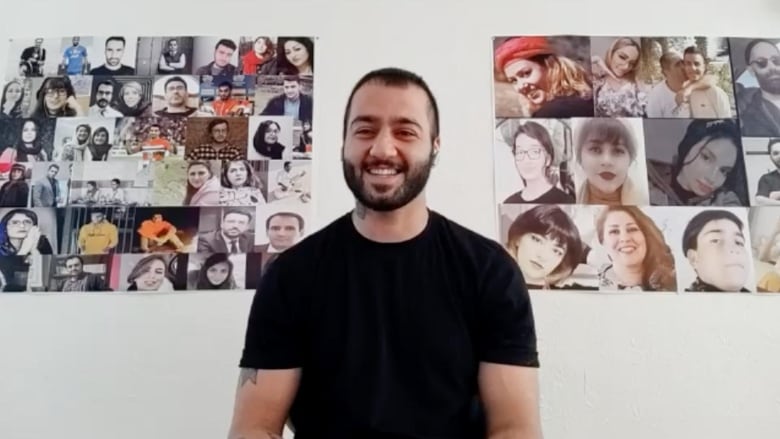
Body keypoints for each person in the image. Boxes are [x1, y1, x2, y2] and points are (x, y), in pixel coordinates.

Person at [229, 68, 541, 438]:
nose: (381, 149)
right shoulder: (291, 276)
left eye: (405, 131)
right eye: (364, 130)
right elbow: (255, 428)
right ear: (343, 142)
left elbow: (514, 429)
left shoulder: (491, 272)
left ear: (435, 146)